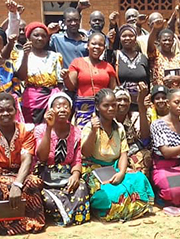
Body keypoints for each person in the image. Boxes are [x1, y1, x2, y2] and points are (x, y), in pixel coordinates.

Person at [78, 89, 155, 221]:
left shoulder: (119, 128)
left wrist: (121, 173)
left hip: (114, 168)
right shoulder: (90, 127)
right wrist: (93, 131)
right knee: (107, 194)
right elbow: (86, 152)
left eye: (113, 105)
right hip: (94, 169)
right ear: (97, 107)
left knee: (139, 178)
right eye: (106, 105)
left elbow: (123, 154)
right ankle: (115, 210)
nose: (111, 108)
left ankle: (125, 209)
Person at [0, 93, 45, 235]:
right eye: (0, 110)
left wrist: (18, 184)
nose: (5, 113)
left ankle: (30, 223)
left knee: (33, 184)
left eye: (9, 110)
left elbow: (27, 159)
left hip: (19, 173)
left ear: (16, 111)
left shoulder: (26, 130)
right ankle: (1, 227)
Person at [33, 92, 90, 226]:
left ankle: (71, 215)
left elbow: (77, 160)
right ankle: (63, 214)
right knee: (47, 200)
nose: (62, 109)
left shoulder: (76, 132)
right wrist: (49, 127)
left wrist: (76, 175)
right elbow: (41, 157)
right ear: (51, 109)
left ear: (70, 110)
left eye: (66, 106)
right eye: (58, 106)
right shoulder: (40, 130)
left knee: (81, 188)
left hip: (66, 175)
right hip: (45, 176)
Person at [63, 32, 118, 126]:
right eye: (93, 44)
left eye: (100, 45)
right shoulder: (77, 63)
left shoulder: (108, 67)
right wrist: (65, 77)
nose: (97, 47)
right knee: (84, 137)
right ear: (88, 45)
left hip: (104, 110)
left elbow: (113, 90)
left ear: (104, 48)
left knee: (102, 136)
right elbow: (71, 87)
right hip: (83, 109)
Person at [17, 22, 64, 124]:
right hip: (32, 100)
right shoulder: (22, 54)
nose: (40, 38)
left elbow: (60, 82)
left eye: (44, 36)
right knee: (32, 128)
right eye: (36, 35)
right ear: (29, 37)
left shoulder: (54, 56)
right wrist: (25, 56)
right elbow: (21, 76)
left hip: (52, 98)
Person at [108, 24, 150, 110]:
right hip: (120, 103)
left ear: (135, 38)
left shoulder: (143, 58)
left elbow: (149, 80)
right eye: (124, 36)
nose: (127, 38)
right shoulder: (115, 55)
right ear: (120, 38)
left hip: (140, 104)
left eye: (131, 36)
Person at [115, 85, 153, 177]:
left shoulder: (134, 116)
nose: (122, 103)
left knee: (146, 157)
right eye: (119, 100)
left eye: (126, 100)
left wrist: (141, 106)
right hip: (113, 153)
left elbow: (145, 137)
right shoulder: (108, 118)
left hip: (131, 152)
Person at [147, 19, 180, 90]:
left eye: (170, 40)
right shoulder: (155, 55)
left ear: (173, 41)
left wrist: (176, 78)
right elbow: (150, 44)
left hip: (176, 95)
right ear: (159, 41)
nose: (167, 42)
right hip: (159, 95)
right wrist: (155, 28)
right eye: (164, 40)